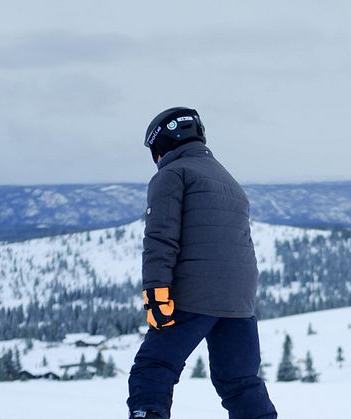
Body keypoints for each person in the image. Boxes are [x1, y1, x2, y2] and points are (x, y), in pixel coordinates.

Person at [127, 107, 278, 419]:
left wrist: (156, 291)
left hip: (195, 293)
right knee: (239, 382)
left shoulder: (172, 174)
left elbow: (161, 237)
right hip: (239, 300)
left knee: (154, 367)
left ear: (161, 145)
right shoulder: (229, 181)